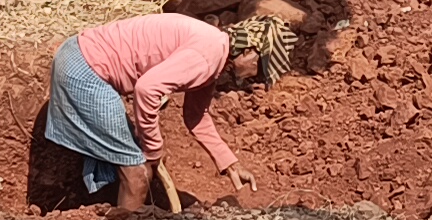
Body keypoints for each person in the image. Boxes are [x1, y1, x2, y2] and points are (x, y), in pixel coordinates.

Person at [44, 13, 293, 208]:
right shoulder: (208, 56)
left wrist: (230, 164)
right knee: (137, 172)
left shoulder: (214, 49)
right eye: (259, 69)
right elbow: (146, 90)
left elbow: (196, 116)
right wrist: (153, 149)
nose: (257, 78)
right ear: (249, 51)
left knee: (133, 157)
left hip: (78, 56)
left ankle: (115, 219)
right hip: (85, 70)